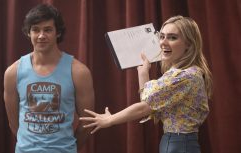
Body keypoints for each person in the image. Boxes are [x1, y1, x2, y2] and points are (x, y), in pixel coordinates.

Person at [80, 15, 213, 153]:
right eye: (162, 36)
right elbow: (149, 103)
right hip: (176, 143)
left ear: (189, 44)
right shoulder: (178, 73)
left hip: (179, 144)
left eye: (172, 37)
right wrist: (143, 73)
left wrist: (110, 120)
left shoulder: (185, 76)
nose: (163, 42)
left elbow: (143, 108)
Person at [3, 3, 95, 153]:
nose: (41, 35)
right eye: (35, 30)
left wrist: (67, 148)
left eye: (47, 30)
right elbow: (13, 123)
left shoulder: (79, 72)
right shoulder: (13, 72)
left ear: (57, 33)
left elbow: (88, 122)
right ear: (28, 32)